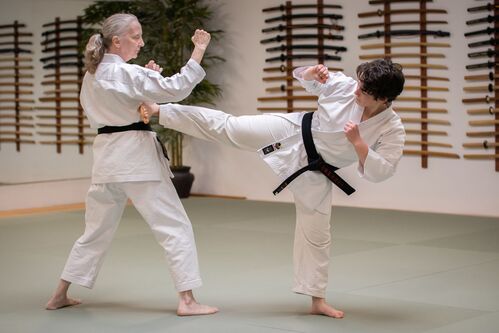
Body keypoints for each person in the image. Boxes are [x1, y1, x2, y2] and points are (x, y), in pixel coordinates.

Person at [139, 58, 406, 318]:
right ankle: (160, 111)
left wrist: (359, 143)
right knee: (231, 126)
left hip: (319, 170)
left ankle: (317, 301)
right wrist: (312, 72)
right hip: (294, 131)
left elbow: (382, 171)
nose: (356, 91)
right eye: (358, 84)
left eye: (364, 91)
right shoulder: (345, 86)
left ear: (383, 99)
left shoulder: (392, 128)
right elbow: (302, 76)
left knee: (316, 234)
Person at [45, 13, 218, 316]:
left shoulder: (93, 75)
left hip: (106, 159)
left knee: (95, 231)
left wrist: (145, 80)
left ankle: (59, 294)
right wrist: (199, 49)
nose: (141, 42)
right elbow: (176, 88)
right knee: (174, 226)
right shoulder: (128, 74)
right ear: (117, 40)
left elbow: (121, 102)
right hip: (136, 158)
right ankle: (187, 300)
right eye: (135, 36)